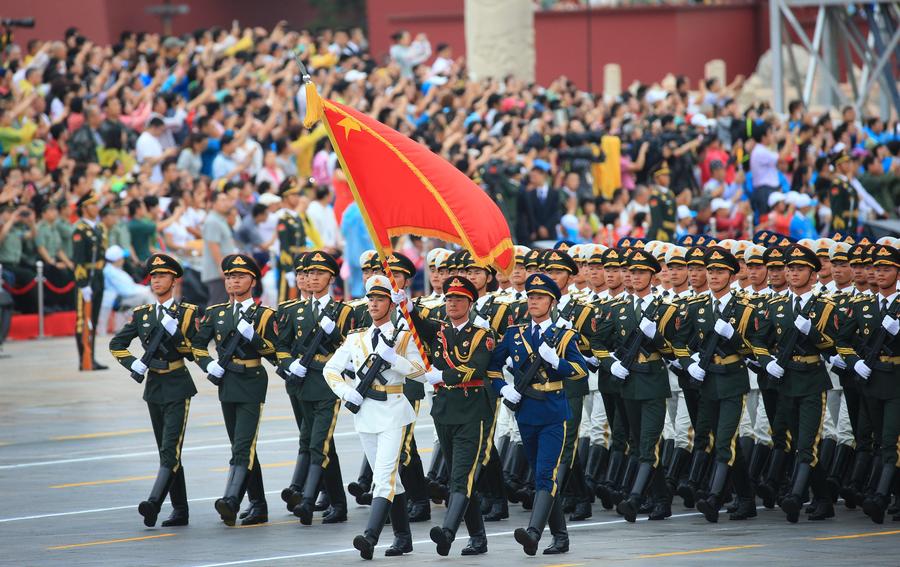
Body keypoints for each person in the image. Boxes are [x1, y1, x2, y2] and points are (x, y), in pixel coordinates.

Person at [323, 274, 427, 559]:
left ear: (390, 305)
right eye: (370, 298)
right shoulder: (357, 338)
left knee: (383, 477)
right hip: (365, 412)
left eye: (380, 299)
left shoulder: (404, 337)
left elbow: (423, 373)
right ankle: (403, 538)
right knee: (392, 479)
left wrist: (396, 360)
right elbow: (330, 370)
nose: (373, 304)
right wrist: (346, 392)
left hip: (393, 410)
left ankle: (370, 537)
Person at [489, 273, 587, 556]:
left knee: (546, 473)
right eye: (530, 297)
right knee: (544, 477)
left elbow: (580, 371)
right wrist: (503, 388)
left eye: (540, 297)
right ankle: (560, 537)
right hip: (526, 412)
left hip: (554, 412)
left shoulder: (564, 335)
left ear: (552, 302)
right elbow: (493, 367)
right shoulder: (514, 334)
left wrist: (558, 361)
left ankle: (533, 532)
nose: (533, 301)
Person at [403, 276, 495, 556]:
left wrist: (443, 375)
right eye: (448, 299)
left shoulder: (482, 335)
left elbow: (476, 369)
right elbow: (419, 325)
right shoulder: (441, 331)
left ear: (470, 303)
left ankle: (447, 532)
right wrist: (406, 306)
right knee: (463, 478)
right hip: (444, 411)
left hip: (471, 411)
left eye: (458, 299)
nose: (452, 303)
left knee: (460, 477)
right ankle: (478, 537)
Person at [108, 253, 199, 527]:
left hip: (177, 384)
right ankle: (180, 510)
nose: (156, 281)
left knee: (170, 448)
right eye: (153, 276)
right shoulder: (143, 315)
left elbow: (195, 353)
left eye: (162, 276)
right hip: (154, 386)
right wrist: (133, 362)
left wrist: (178, 336)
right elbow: (116, 344)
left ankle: (154, 503)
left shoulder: (187, 313)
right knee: (166, 451)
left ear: (174, 280)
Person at [750, 244, 838, 522]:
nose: (793, 273)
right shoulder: (775, 306)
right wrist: (768, 363)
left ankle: (796, 496)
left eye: (800, 269)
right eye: (790, 268)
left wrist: (811, 332)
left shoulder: (824, 305)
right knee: (791, 439)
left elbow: (833, 345)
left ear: (813, 275)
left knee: (807, 442)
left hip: (811, 379)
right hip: (784, 379)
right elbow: (758, 341)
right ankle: (823, 499)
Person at [669, 246, 757, 522]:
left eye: (720, 271)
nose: (713, 276)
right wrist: (690, 363)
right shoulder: (696, 306)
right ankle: (746, 499)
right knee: (717, 440)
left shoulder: (742, 307)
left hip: (732, 379)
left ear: (731, 275)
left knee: (725, 440)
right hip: (706, 382)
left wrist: (734, 337)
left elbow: (755, 349)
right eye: (711, 271)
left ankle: (714, 497)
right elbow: (680, 342)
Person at [190, 254, 278, 526]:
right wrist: (208, 365)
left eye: (239, 276)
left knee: (242, 445)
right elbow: (196, 345)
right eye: (229, 277)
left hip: (252, 380)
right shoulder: (217, 314)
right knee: (243, 445)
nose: (233, 281)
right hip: (227, 382)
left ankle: (231, 499)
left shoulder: (263, 315)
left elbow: (277, 354)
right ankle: (259, 504)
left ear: (252, 280)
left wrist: (256, 338)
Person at [596, 248, 678, 523]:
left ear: (653, 275)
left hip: (652, 381)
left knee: (648, 442)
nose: (635, 276)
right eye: (631, 272)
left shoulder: (664, 307)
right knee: (636, 442)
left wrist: (656, 337)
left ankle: (634, 497)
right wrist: (610, 364)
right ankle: (661, 499)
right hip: (628, 381)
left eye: (641, 272)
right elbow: (599, 344)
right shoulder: (618, 309)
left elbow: (673, 350)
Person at [276, 251, 354, 526]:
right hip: (300, 382)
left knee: (319, 441)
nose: (312, 278)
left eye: (319, 273)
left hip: (326, 383)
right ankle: (338, 503)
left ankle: (307, 500)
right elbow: (281, 346)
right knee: (316, 441)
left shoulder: (343, 311)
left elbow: (353, 347)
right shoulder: (293, 310)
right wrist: (289, 364)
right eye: (309, 273)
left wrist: (334, 332)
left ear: (331, 278)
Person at [836, 243, 900, 524]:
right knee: (878, 439)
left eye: (887, 269)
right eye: (877, 269)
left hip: (897, 379)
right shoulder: (862, 305)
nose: (881, 274)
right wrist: (854, 363)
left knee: (891, 440)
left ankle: (882, 496)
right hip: (871, 379)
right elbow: (843, 341)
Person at [72, 191, 107, 371]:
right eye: (92, 204)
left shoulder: (99, 228)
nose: (96, 207)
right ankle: (83, 358)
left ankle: (91, 357)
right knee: (83, 320)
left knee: (93, 318)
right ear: (84, 208)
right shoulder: (80, 230)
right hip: (86, 278)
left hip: (98, 277)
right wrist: (83, 284)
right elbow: (78, 260)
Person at [201, 191, 238, 306]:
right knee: (217, 306)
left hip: (224, 270)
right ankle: (208, 325)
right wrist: (221, 267)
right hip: (218, 272)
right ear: (213, 203)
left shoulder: (220, 220)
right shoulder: (212, 221)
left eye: (227, 200)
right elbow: (213, 245)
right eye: (222, 200)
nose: (226, 203)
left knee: (224, 305)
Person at [276, 177, 307, 303]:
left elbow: (302, 242)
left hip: (300, 262)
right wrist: (288, 269)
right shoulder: (282, 218)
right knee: (285, 298)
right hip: (288, 263)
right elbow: (283, 245)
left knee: (299, 300)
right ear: (285, 197)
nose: (296, 198)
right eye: (292, 195)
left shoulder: (296, 217)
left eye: (297, 194)